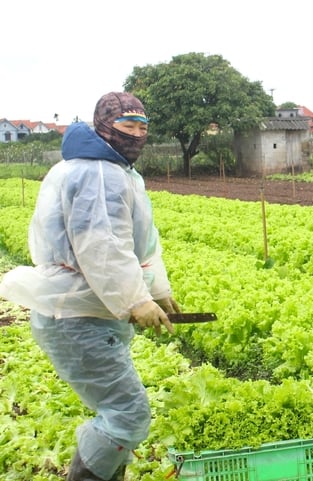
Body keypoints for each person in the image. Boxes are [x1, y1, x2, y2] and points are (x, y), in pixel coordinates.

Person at [0, 92, 180, 481]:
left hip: (88, 312)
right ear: (103, 127)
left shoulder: (117, 171)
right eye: (126, 126)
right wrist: (136, 298)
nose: (136, 134)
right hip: (76, 316)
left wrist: (158, 290)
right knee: (128, 414)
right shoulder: (97, 172)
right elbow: (103, 246)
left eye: (142, 126)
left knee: (119, 414)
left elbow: (143, 244)